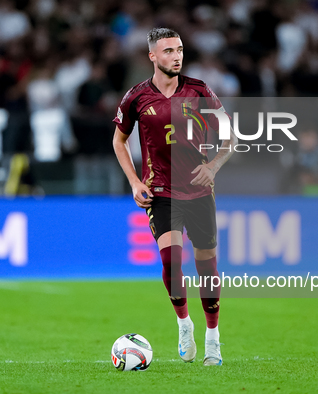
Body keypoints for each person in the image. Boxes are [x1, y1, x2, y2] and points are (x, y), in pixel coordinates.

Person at [112, 28, 235, 366]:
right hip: (160, 192)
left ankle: (213, 338)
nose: (176, 56)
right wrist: (135, 181)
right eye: (168, 51)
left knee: (207, 266)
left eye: (179, 49)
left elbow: (230, 136)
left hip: (198, 191)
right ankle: (184, 324)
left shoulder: (199, 90)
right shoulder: (136, 97)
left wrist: (213, 166)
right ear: (152, 56)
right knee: (171, 261)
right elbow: (119, 141)